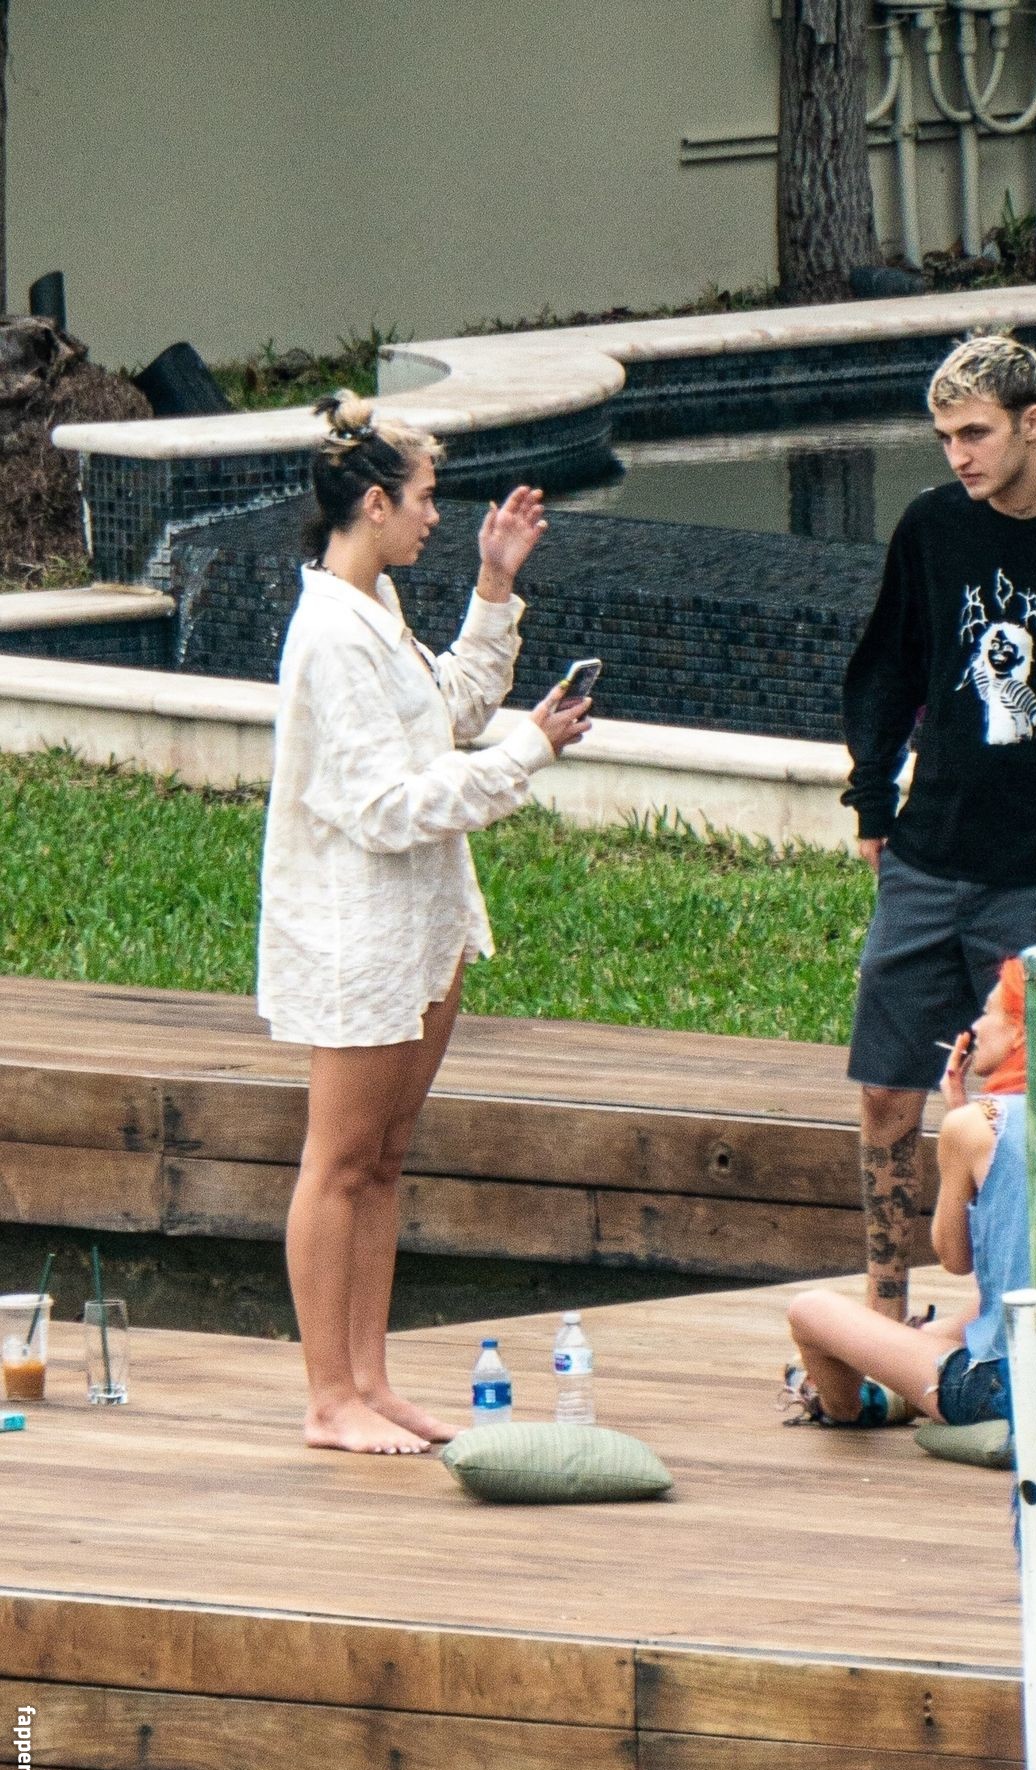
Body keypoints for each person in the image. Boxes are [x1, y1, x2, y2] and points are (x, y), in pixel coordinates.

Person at [257, 391, 590, 1454]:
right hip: (356, 934)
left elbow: (444, 713)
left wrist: (495, 586)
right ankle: (328, 1398)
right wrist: (526, 753)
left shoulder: (376, 607)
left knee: (384, 1160)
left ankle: (370, 1380)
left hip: (420, 926)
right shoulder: (329, 632)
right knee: (339, 1160)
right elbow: (384, 807)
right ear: (373, 503)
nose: (436, 516)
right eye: (425, 499)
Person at [842, 331, 1036, 1325]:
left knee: (1024, 1112)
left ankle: (1015, 1323)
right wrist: (872, 794)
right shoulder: (933, 525)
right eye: (944, 437)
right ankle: (885, 1317)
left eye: (975, 433)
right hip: (927, 857)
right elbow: (888, 664)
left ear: (1033, 422)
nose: (958, 456)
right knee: (886, 1092)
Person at [784, 958, 1029, 1428]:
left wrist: (958, 1124)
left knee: (808, 1312)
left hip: (1001, 1391)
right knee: (974, 1312)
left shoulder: (973, 1125)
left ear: (1019, 1034)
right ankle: (901, 1365)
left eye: (987, 1013)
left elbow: (955, 1259)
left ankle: (852, 1406)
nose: (975, 1026)